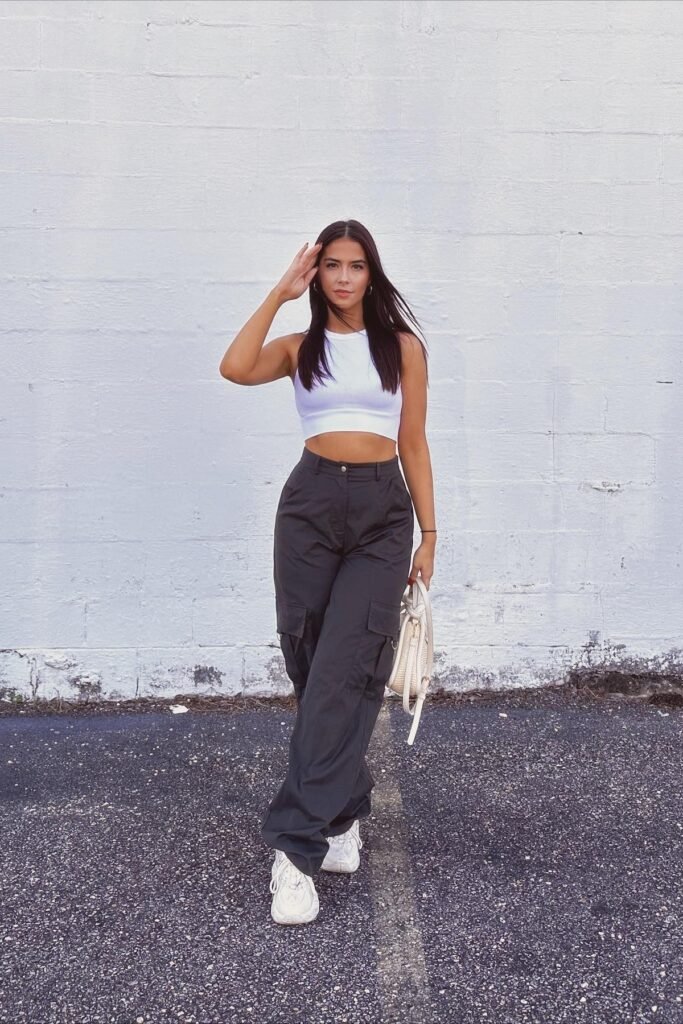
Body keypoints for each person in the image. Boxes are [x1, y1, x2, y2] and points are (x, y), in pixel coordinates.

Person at [219, 219, 436, 925]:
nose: (343, 278)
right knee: (309, 663)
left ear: (372, 274)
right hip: (310, 503)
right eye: (331, 266)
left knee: (348, 666)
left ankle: (294, 847)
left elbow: (412, 440)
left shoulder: (401, 349)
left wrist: (430, 533)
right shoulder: (298, 346)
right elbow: (234, 366)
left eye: (356, 265)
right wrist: (279, 293)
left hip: (380, 511)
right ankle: (342, 811)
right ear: (318, 275)